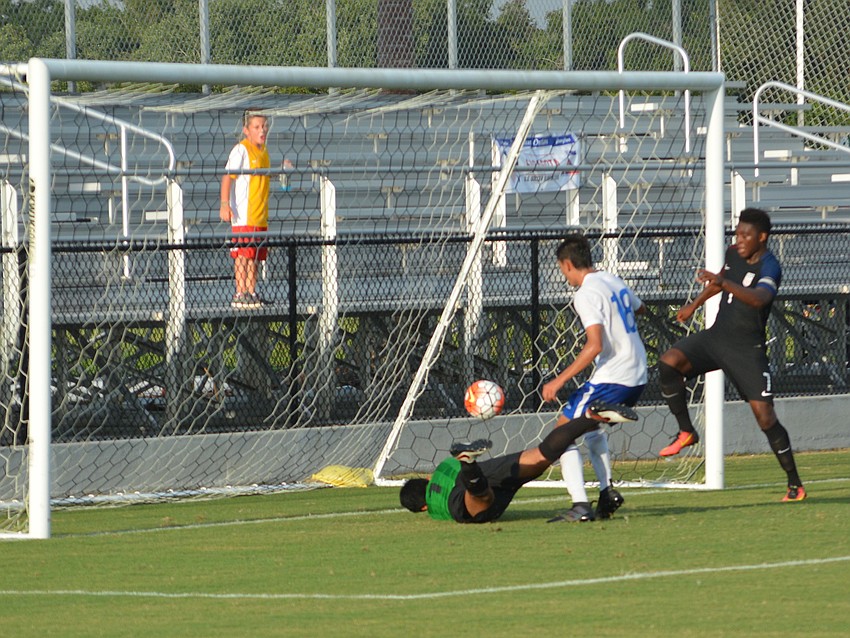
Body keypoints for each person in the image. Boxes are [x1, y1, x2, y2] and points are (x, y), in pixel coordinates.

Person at [657, 207, 806, 502]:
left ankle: (795, 484)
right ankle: (686, 432)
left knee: (765, 417)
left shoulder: (770, 266)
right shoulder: (733, 254)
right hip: (716, 338)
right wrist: (695, 305)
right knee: (668, 363)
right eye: (737, 233)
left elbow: (759, 299)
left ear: (761, 237)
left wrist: (724, 283)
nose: (738, 239)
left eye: (745, 235)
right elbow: (720, 280)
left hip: (747, 350)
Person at [541, 234, 648, 522]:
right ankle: (606, 492)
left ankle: (580, 505)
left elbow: (595, 344)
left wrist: (557, 381)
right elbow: (641, 308)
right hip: (638, 375)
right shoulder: (613, 280)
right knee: (591, 428)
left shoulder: (585, 294)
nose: (564, 276)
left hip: (614, 376)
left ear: (567, 264)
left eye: (562, 270)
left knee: (561, 434)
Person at [399, 400, 638, 524]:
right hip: (488, 470)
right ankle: (591, 417)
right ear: (426, 478)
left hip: (461, 495)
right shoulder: (440, 470)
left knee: (479, 500)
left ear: (422, 507)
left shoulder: (433, 505)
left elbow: (466, 504)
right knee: (542, 453)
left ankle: (468, 463)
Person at [220, 111, 272, 309]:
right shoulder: (241, 150)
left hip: (260, 215)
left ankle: (251, 292)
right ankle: (239, 292)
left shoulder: (264, 151)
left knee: (255, 256)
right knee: (243, 254)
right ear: (246, 130)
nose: (262, 130)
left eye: (264, 126)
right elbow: (227, 177)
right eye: (257, 127)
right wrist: (225, 204)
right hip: (243, 214)